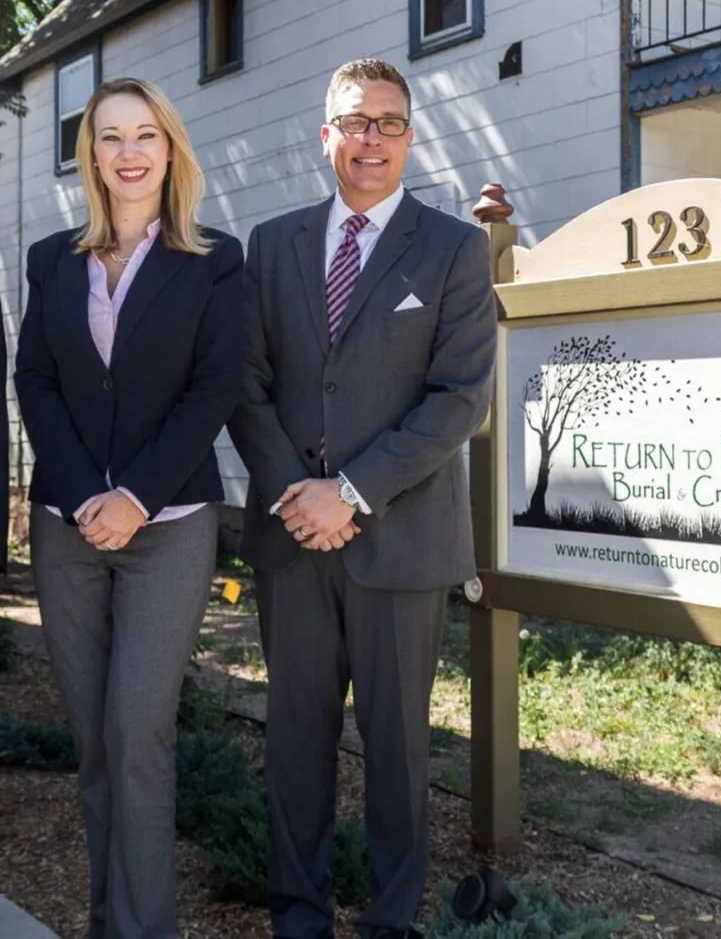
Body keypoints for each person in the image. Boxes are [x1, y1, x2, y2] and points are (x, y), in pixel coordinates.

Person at [227, 57, 497, 939]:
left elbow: (460, 399)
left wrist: (348, 492)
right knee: (295, 744)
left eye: (387, 121)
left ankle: (390, 922)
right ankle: (297, 917)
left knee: (397, 750)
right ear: (326, 135)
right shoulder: (271, 245)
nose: (370, 138)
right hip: (290, 539)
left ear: (410, 136)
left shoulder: (454, 248)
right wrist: (299, 497)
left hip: (401, 542)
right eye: (354, 121)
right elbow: (245, 381)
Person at [14, 77, 244, 939]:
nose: (129, 152)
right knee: (96, 745)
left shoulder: (213, 258)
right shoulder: (51, 258)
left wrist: (136, 496)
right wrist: (83, 496)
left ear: (170, 146)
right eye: (110, 137)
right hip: (67, 530)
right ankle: (110, 920)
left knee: (137, 731)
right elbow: (34, 378)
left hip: (170, 527)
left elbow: (214, 388)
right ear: (92, 155)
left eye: (145, 133)